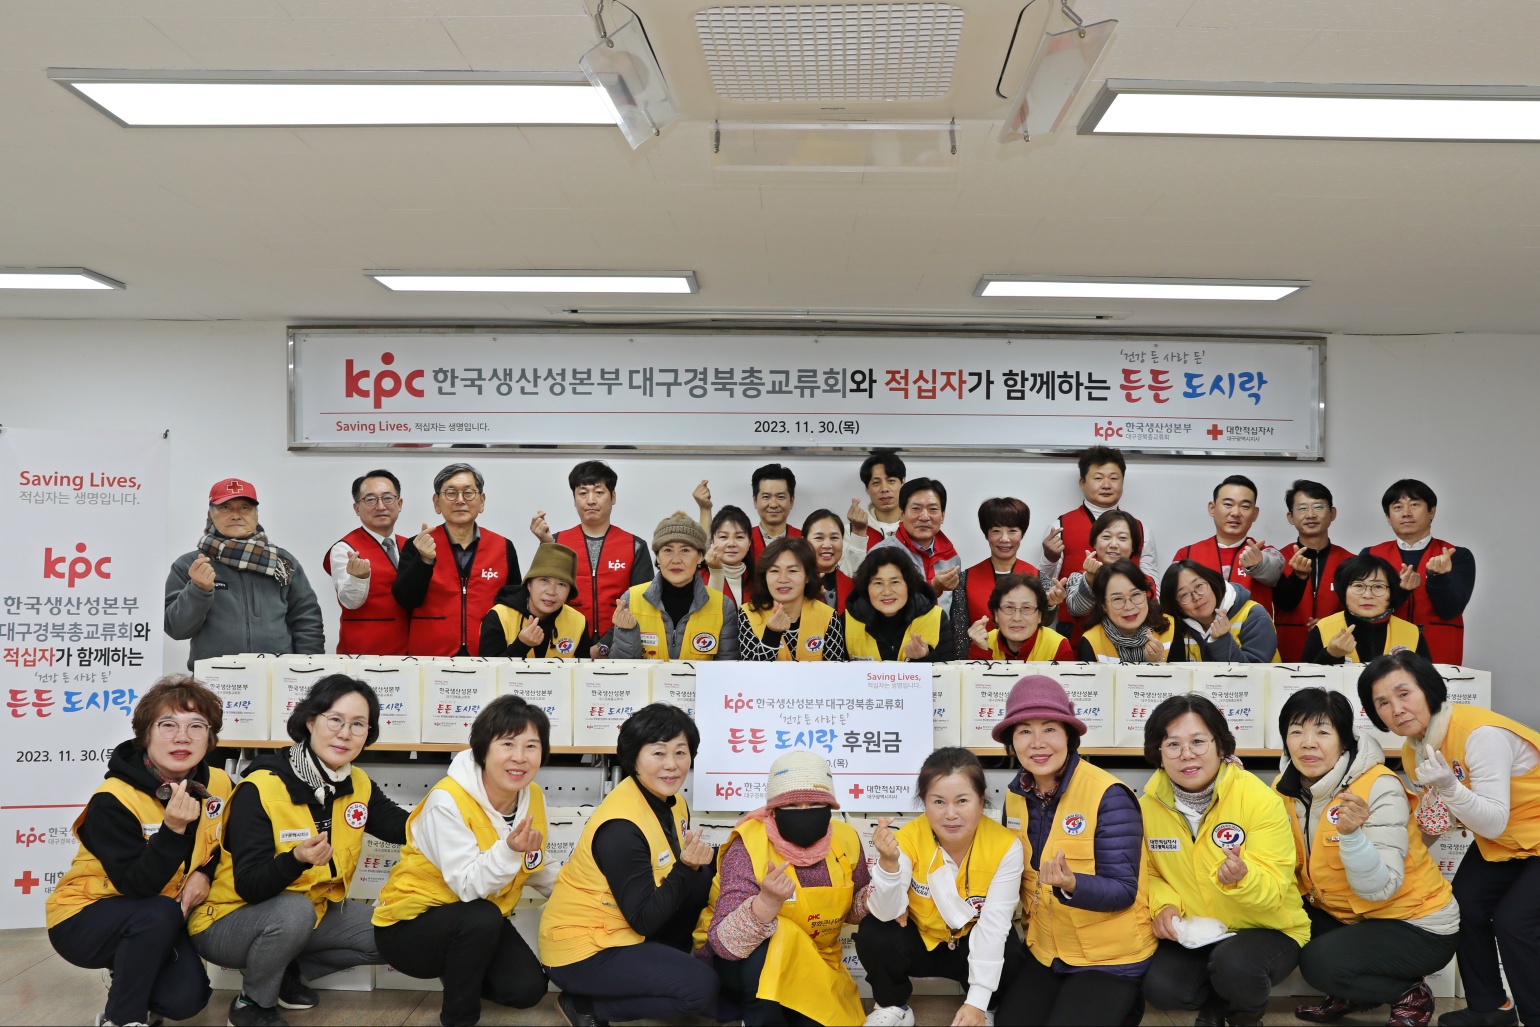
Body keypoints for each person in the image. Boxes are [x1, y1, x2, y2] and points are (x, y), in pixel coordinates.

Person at [188, 674, 410, 1027]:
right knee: (294, 911)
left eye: (358, 724)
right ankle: (251, 1004)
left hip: (311, 911)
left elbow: (402, 827)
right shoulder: (260, 787)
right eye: (335, 720)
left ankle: (282, 970)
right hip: (227, 918)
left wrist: (458, 814)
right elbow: (250, 886)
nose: (345, 733)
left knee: (398, 935)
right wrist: (296, 860)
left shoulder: (356, 782)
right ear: (310, 721)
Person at [1363, 651, 1540, 1027]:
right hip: (1514, 842)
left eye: (1404, 693)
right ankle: (1491, 1009)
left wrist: (1450, 787)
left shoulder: (1480, 735)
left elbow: (1492, 822)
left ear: (1428, 689)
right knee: (1465, 906)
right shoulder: (1415, 751)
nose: (1397, 709)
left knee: (1515, 923)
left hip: (1518, 833)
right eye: (1383, 703)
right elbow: (1435, 820)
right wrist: (1390, 860)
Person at [47, 676, 231, 1027]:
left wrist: (204, 873)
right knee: (157, 911)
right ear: (145, 735)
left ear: (210, 738)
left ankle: (130, 970)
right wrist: (173, 830)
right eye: (168, 725)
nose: (182, 737)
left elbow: (223, 842)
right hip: (85, 918)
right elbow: (137, 885)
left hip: (160, 916)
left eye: (197, 726)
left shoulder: (218, 783)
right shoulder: (113, 799)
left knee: (185, 1000)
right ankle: (121, 1018)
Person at [1274, 687, 1458, 1027]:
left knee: (1318, 963)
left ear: (1344, 742)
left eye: (1322, 732)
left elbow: (1380, 888)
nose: (1308, 743)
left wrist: (1352, 837)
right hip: (1351, 914)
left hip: (1416, 923)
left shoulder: (1378, 786)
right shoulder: (1284, 790)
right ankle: (1350, 993)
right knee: (1281, 923)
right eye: (1296, 731)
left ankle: (1408, 994)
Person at [372, 696, 554, 1026]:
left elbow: (536, 861)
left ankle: (462, 966)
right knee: (481, 916)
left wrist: (581, 889)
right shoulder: (447, 800)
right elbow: (469, 886)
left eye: (531, 746)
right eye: (508, 744)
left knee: (527, 990)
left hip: (474, 923)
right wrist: (509, 850)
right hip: (409, 925)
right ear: (482, 750)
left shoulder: (534, 796)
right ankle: (459, 1017)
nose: (520, 757)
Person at [539, 703, 721, 1027]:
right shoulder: (621, 827)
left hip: (622, 927)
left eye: (680, 752)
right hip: (582, 950)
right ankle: (587, 1007)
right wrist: (686, 868)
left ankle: (664, 968)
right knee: (701, 990)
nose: (672, 765)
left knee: (701, 878)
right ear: (633, 757)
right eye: (658, 753)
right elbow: (644, 920)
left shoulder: (673, 802)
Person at [1139, 693, 1310, 1027]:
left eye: (1198, 741)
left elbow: (1275, 888)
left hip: (1267, 928)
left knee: (1236, 966)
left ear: (1221, 747)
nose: (1186, 754)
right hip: (1197, 930)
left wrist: (1242, 879)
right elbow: (1149, 872)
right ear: (1158, 753)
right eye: (1172, 744)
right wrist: (1165, 906)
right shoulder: (1147, 807)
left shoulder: (1260, 799)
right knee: (1161, 987)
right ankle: (1218, 1003)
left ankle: (1245, 1017)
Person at [992, 675, 1153, 1026]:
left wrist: (1072, 884)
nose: (1037, 743)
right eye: (1024, 731)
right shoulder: (1015, 796)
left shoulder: (1109, 795)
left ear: (1068, 735)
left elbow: (1124, 890)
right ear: (1011, 742)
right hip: (1048, 952)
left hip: (1110, 958)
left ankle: (1126, 1005)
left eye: (1049, 729)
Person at [700, 750, 871, 1027]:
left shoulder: (846, 837)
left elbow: (854, 910)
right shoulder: (748, 844)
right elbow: (726, 946)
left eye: (815, 803)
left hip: (816, 960)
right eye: (792, 805)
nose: (804, 812)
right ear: (773, 810)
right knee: (768, 947)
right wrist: (765, 903)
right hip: (745, 963)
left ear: (830, 806)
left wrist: (885, 885)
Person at [858, 747, 1026, 1027]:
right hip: (922, 941)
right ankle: (892, 1006)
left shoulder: (1006, 846)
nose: (950, 814)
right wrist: (888, 864)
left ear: (981, 799)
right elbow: (886, 912)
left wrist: (977, 1002)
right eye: (938, 801)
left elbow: (994, 926)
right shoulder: (909, 838)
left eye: (962, 801)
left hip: (971, 945)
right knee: (875, 931)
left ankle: (986, 1008)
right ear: (924, 802)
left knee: (1009, 950)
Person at [165, 477, 324, 668]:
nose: (236, 515)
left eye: (245, 508)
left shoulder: (282, 562)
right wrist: (198, 590)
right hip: (213, 676)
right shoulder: (191, 565)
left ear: (256, 515)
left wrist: (308, 668)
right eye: (225, 507)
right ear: (210, 514)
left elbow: (307, 620)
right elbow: (177, 629)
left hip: (277, 675)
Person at [393, 462, 521, 656]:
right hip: (430, 655)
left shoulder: (503, 547)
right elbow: (405, 600)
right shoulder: (418, 545)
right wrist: (424, 561)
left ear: (482, 501)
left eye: (468, 493)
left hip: (488, 653)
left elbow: (514, 604)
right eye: (451, 493)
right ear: (437, 502)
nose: (460, 500)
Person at [530, 460, 653, 653]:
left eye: (599, 492)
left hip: (620, 647)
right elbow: (541, 599)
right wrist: (547, 547)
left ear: (613, 497)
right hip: (563, 645)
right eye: (582, 493)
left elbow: (641, 605)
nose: (591, 500)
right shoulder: (555, 542)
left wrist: (604, 646)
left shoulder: (635, 546)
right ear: (574, 499)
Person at [1041, 446, 1158, 631]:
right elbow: (1044, 589)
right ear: (1082, 483)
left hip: (1130, 634)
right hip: (1075, 633)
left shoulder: (1141, 529)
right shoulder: (1059, 526)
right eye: (1098, 478)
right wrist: (1050, 559)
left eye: (1114, 478)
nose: (1106, 485)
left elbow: (1154, 589)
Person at [1364, 479, 1476, 665]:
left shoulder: (1456, 555)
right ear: (1388, 517)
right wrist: (1400, 590)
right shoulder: (1370, 555)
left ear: (1432, 512)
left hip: (1438, 647)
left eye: (1414, 504)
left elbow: (1451, 610)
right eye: (1397, 507)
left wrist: (1437, 578)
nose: (1406, 513)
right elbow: (1362, 608)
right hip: (1382, 648)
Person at [610, 512, 740, 661]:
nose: (676, 560)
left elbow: (726, 669)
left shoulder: (723, 606)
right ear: (657, 557)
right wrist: (626, 633)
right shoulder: (631, 599)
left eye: (685, 550)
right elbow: (620, 668)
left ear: (700, 556)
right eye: (668, 550)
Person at [324, 468, 411, 656]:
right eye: (370, 500)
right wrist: (359, 578)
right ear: (357, 508)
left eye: (387, 498)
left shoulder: (411, 546)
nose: (380, 506)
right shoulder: (344, 549)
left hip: (409, 653)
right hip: (363, 654)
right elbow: (349, 601)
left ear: (399, 504)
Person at [1173, 474, 1284, 617]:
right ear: (1212, 508)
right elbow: (1175, 600)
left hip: (1253, 631)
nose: (1236, 512)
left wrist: (1259, 565)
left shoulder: (1266, 552)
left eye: (1245, 506)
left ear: (1255, 514)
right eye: (1228, 504)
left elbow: (1274, 569)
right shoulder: (1186, 555)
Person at [1273, 480, 1353, 663]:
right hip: (1285, 652)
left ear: (1332, 513)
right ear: (1290, 517)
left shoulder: (1350, 561)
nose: (1310, 515)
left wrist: (1329, 624)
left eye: (1318, 507)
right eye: (1302, 508)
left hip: (1337, 652)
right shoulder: (1277, 559)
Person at [1302, 554, 1430, 664]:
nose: (1368, 595)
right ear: (1343, 590)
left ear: (1392, 592)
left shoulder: (1412, 632)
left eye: (1378, 587)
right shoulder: (1323, 628)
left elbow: (1427, 681)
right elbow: (1304, 680)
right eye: (1358, 585)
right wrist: (1330, 654)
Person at [738, 536, 847, 662]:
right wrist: (772, 633)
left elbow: (835, 671)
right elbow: (750, 670)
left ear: (807, 576)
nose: (783, 579)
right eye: (774, 571)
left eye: (793, 571)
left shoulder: (828, 616)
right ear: (765, 576)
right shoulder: (748, 614)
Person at [958, 497, 1042, 659]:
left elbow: (1044, 629)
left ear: (1022, 534)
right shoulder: (965, 579)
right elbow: (960, 637)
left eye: (1012, 531)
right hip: (979, 663)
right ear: (986, 534)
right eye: (996, 531)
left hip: (1030, 664)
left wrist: (1051, 606)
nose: (1004, 538)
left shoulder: (1038, 577)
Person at [478, 541, 592, 659]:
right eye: (544, 580)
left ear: (569, 592)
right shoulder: (499, 617)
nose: (551, 591)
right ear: (529, 584)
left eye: (562, 584)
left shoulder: (578, 621)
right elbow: (487, 669)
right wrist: (521, 645)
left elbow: (583, 669)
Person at [870, 477, 962, 619]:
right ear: (901, 514)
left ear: (942, 516)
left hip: (941, 633)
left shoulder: (951, 558)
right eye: (916, 509)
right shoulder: (881, 554)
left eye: (932, 509)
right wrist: (933, 588)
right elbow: (875, 610)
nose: (924, 517)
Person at [1160, 558, 1281, 663]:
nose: (1196, 597)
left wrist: (1222, 641)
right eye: (1184, 594)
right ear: (1176, 605)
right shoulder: (1175, 628)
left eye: (1199, 586)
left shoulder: (1254, 615)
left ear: (1211, 582)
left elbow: (1254, 675)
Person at [1058, 509, 1152, 643]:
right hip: (1089, 650)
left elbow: (1151, 620)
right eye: (1106, 537)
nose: (1113, 545)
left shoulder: (1145, 581)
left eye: (1122, 538)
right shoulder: (1078, 577)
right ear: (1094, 543)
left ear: (1133, 546)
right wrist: (1090, 579)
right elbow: (1077, 609)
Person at [845, 547, 953, 662]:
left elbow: (949, 670)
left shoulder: (936, 618)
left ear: (908, 584)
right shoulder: (847, 621)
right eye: (878, 583)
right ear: (866, 587)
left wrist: (925, 657)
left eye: (895, 582)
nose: (887, 592)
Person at [1075, 557, 1172, 663]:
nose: (1129, 607)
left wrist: (1159, 661)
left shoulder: (1170, 628)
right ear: (1103, 605)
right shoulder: (1091, 642)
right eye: (1117, 599)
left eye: (1135, 594)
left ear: (1145, 594)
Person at [965, 574, 1073, 662]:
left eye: (1026, 608)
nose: (1017, 618)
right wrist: (982, 651)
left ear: (1040, 615)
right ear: (996, 614)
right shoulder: (983, 643)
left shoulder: (1058, 646)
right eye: (1009, 607)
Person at [747, 463, 802, 568]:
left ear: (791, 501)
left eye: (780, 497)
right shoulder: (743, 540)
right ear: (755, 501)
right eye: (766, 497)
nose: (773, 504)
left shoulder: (804, 540)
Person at [802, 508, 855, 612]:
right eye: (819, 538)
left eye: (834, 538)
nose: (827, 545)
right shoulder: (795, 585)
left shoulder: (853, 587)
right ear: (804, 542)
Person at [702, 504, 755, 608]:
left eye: (739, 537)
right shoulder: (697, 578)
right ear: (712, 541)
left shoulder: (760, 581)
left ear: (749, 542)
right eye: (723, 537)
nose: (731, 543)